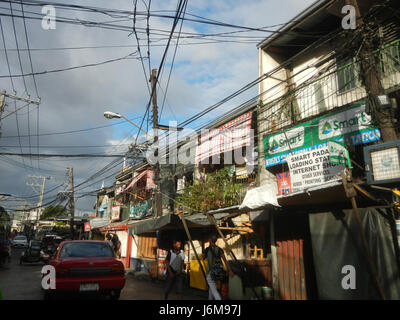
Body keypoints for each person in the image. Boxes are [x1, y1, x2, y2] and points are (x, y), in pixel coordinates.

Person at [203, 235, 234, 300]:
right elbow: (225, 261)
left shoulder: (207, 250)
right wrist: (230, 270)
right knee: (212, 288)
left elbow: (203, 258)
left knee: (214, 290)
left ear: (210, 240)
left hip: (210, 272)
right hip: (218, 272)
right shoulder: (220, 250)